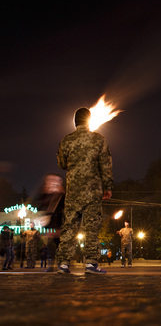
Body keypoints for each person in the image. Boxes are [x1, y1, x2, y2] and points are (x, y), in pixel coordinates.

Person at [55, 107, 113, 275]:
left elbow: (61, 164)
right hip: (93, 191)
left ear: (75, 122)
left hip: (73, 191)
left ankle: (63, 264)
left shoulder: (67, 140)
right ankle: (91, 264)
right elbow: (106, 165)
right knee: (92, 227)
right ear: (89, 121)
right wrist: (107, 186)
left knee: (69, 226)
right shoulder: (99, 139)